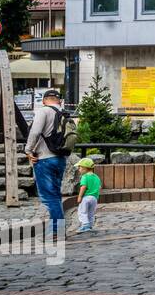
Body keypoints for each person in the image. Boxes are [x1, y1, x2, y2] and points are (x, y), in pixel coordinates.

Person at [25, 88, 69, 238]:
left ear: (44, 100)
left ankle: (57, 230)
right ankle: (57, 229)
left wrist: (28, 150)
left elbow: (35, 131)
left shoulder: (43, 111)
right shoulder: (64, 113)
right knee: (55, 195)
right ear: (60, 100)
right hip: (60, 159)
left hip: (44, 159)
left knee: (49, 197)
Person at [74, 157, 101, 233]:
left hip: (86, 197)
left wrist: (79, 197)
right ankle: (90, 224)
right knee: (91, 212)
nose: (78, 169)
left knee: (82, 211)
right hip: (94, 198)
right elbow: (99, 187)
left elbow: (83, 187)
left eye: (80, 167)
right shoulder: (97, 177)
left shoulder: (84, 177)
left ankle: (85, 225)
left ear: (85, 168)